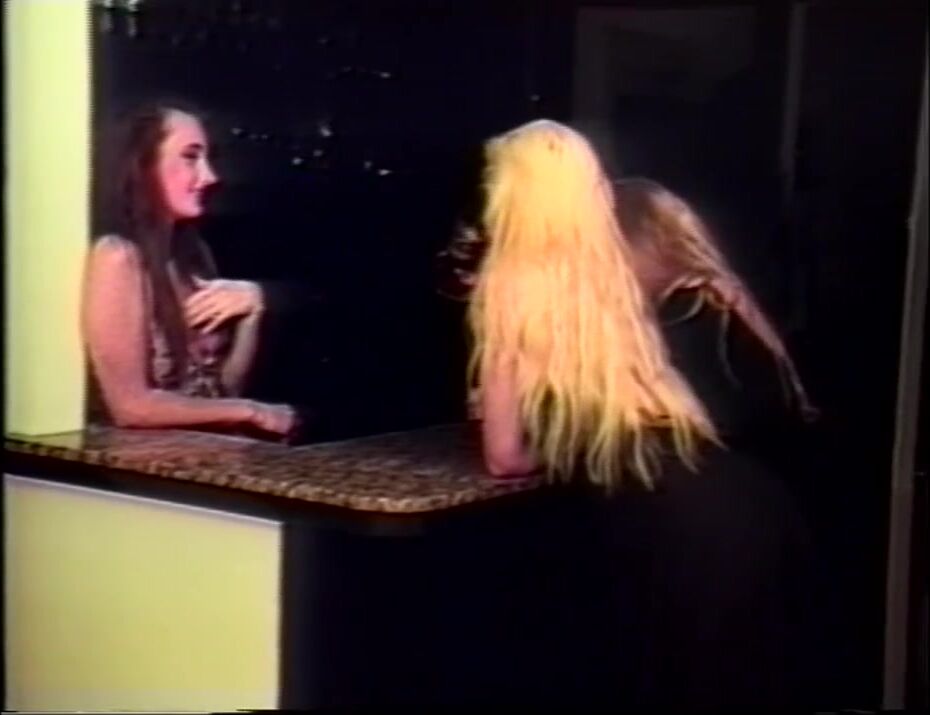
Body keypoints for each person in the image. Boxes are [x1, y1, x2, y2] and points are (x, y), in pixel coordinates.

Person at [438, 120, 816, 708]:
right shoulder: (616, 268)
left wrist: (564, 444)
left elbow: (506, 456)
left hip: (672, 523)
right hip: (746, 500)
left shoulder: (511, 285)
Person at [83, 103, 296, 437]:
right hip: (139, 460)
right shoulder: (118, 258)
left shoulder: (192, 254)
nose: (210, 177)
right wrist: (254, 411)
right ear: (143, 164)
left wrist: (253, 311)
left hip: (204, 450)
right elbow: (130, 406)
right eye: (190, 157)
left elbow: (221, 391)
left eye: (208, 159)